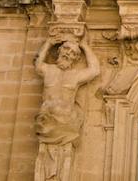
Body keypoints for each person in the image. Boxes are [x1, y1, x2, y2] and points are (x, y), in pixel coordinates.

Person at [34, 38, 100, 181]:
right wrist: (49, 43)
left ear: (76, 58)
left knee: (64, 160)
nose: (68, 53)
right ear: (59, 50)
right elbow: (38, 63)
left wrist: (85, 47)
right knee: (46, 160)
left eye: (72, 52)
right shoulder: (48, 70)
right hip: (47, 122)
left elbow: (95, 70)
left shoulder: (75, 75)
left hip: (66, 124)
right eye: (66, 49)